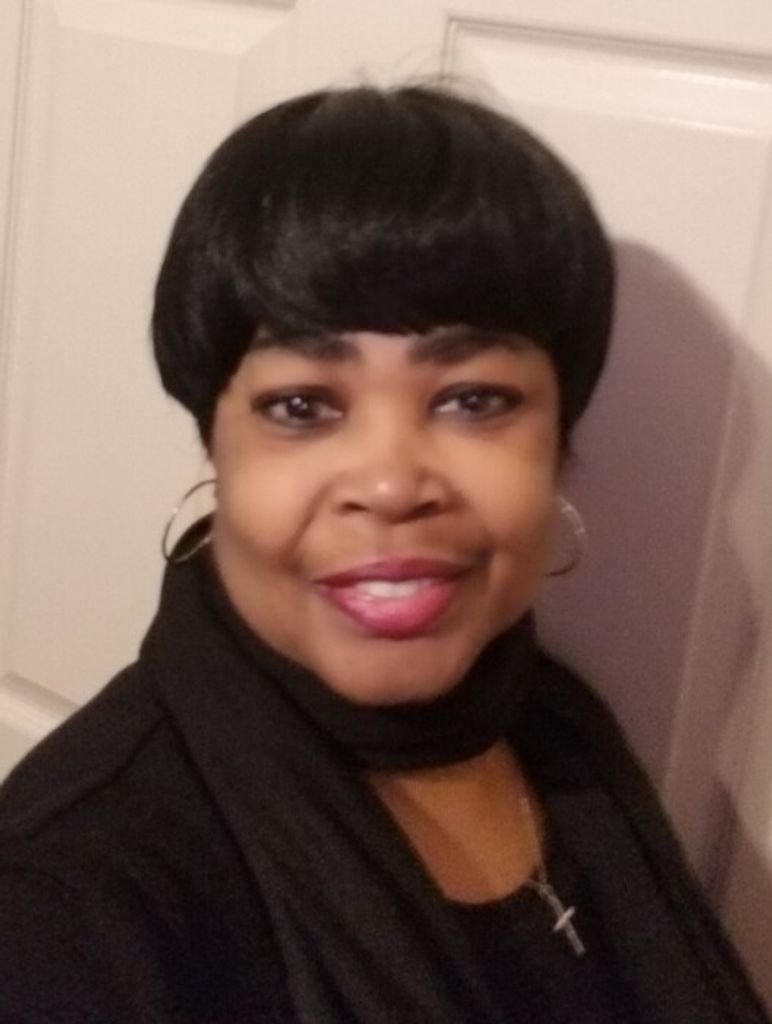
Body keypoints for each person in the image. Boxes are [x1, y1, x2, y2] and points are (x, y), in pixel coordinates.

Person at [0, 85, 767, 1024]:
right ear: (215, 448)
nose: (394, 484)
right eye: (302, 406)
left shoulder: (557, 725)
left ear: (559, 442)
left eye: (474, 399)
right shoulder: (66, 899)